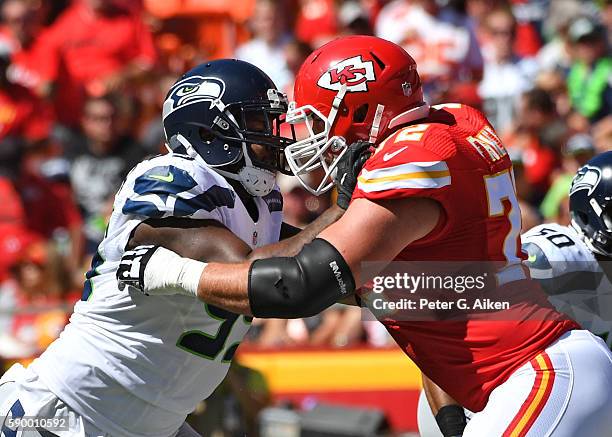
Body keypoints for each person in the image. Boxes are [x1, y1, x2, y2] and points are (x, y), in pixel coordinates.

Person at [121, 36, 612, 436]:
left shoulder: (414, 157)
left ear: (360, 113)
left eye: (315, 119)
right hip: (524, 374)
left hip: (537, 375)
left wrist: (171, 273)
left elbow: (300, 285)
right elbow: (421, 310)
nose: (306, 136)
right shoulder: (454, 125)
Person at [0, 59, 366, 437]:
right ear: (211, 129)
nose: (273, 137)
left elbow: (322, 256)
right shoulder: (171, 178)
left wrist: (413, 282)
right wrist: (342, 208)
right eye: (258, 124)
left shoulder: (260, 202)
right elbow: (253, 273)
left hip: (156, 425)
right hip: (68, 412)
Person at [418, 151, 612, 437]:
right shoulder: (557, 256)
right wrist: (452, 425)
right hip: (482, 402)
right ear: (590, 211)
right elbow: (444, 320)